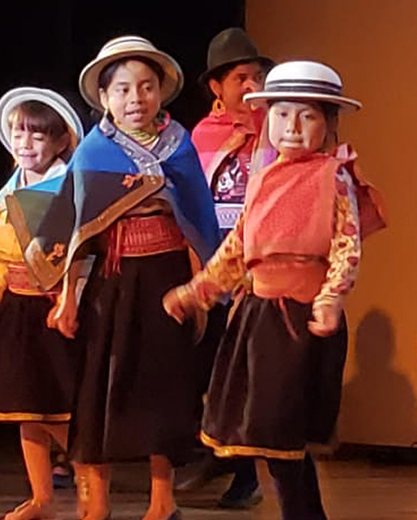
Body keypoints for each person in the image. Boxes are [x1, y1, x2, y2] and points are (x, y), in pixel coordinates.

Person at [163, 60, 386, 520]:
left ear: (327, 122)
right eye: (282, 115)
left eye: (307, 116)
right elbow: (238, 246)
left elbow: (347, 246)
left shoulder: (333, 175)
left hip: (301, 319)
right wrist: (197, 291)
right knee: (271, 438)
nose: (293, 127)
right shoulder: (263, 178)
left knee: (282, 432)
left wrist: (329, 300)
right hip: (259, 317)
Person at [23, 36, 221, 520]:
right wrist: (66, 298)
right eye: (124, 89)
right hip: (109, 283)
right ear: (106, 97)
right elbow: (74, 233)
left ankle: (162, 501)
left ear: (161, 93)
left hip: (165, 280)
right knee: (97, 390)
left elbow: (199, 220)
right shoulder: (93, 152)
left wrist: (203, 286)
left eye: (147, 87)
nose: (137, 99)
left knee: (162, 388)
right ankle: (96, 504)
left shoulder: (180, 147)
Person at [0, 87, 84, 520]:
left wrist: (68, 300)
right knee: (25, 411)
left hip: (50, 311)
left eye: (36, 135)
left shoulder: (68, 190)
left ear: (59, 141)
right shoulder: (7, 192)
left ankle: (92, 492)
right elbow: (1, 261)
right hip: (16, 308)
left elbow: (77, 257)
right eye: (18, 133)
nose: (25, 143)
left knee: (59, 412)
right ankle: (42, 497)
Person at [177, 27, 274, 509]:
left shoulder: (275, 130)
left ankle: (245, 475)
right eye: (241, 76)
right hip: (215, 264)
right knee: (206, 368)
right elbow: (193, 204)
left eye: (257, 75)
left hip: (256, 270)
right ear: (217, 86)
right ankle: (214, 446)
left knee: (244, 375)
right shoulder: (201, 136)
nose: (252, 84)